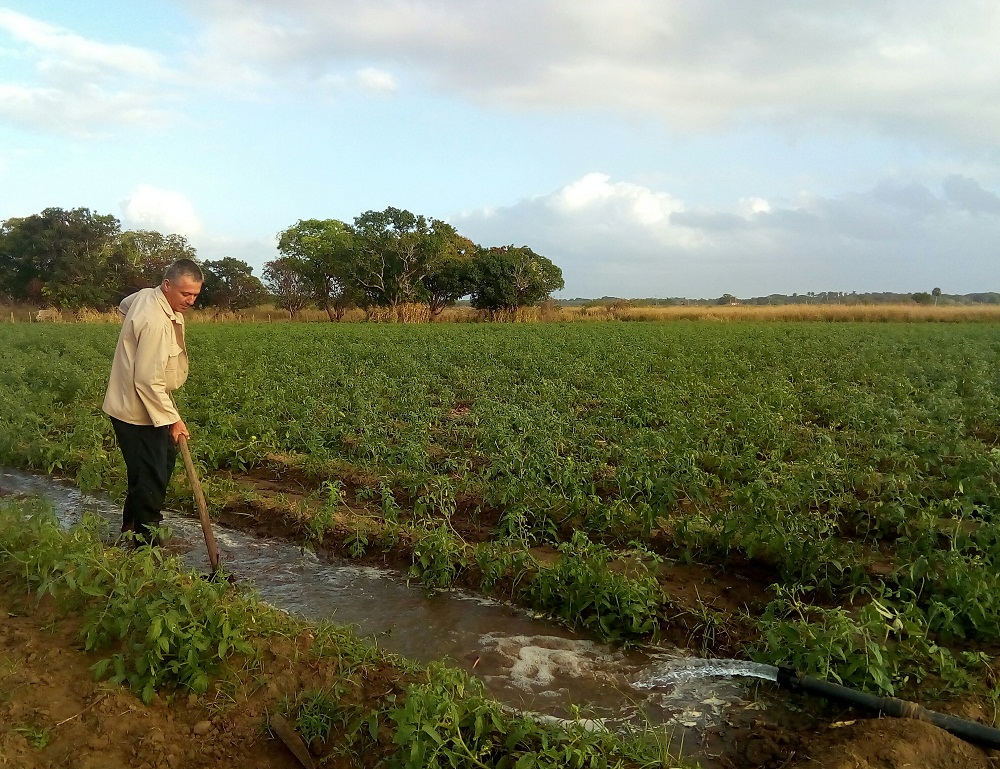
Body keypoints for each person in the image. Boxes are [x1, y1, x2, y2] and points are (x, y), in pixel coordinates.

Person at [102, 259, 203, 545]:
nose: (191, 301)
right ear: (167, 285)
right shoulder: (156, 322)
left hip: (132, 403)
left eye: (195, 294)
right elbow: (148, 381)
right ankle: (145, 549)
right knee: (153, 476)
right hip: (138, 409)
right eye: (185, 294)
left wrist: (133, 338)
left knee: (146, 469)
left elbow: (124, 305)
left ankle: (130, 527)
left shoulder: (146, 295)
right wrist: (174, 420)